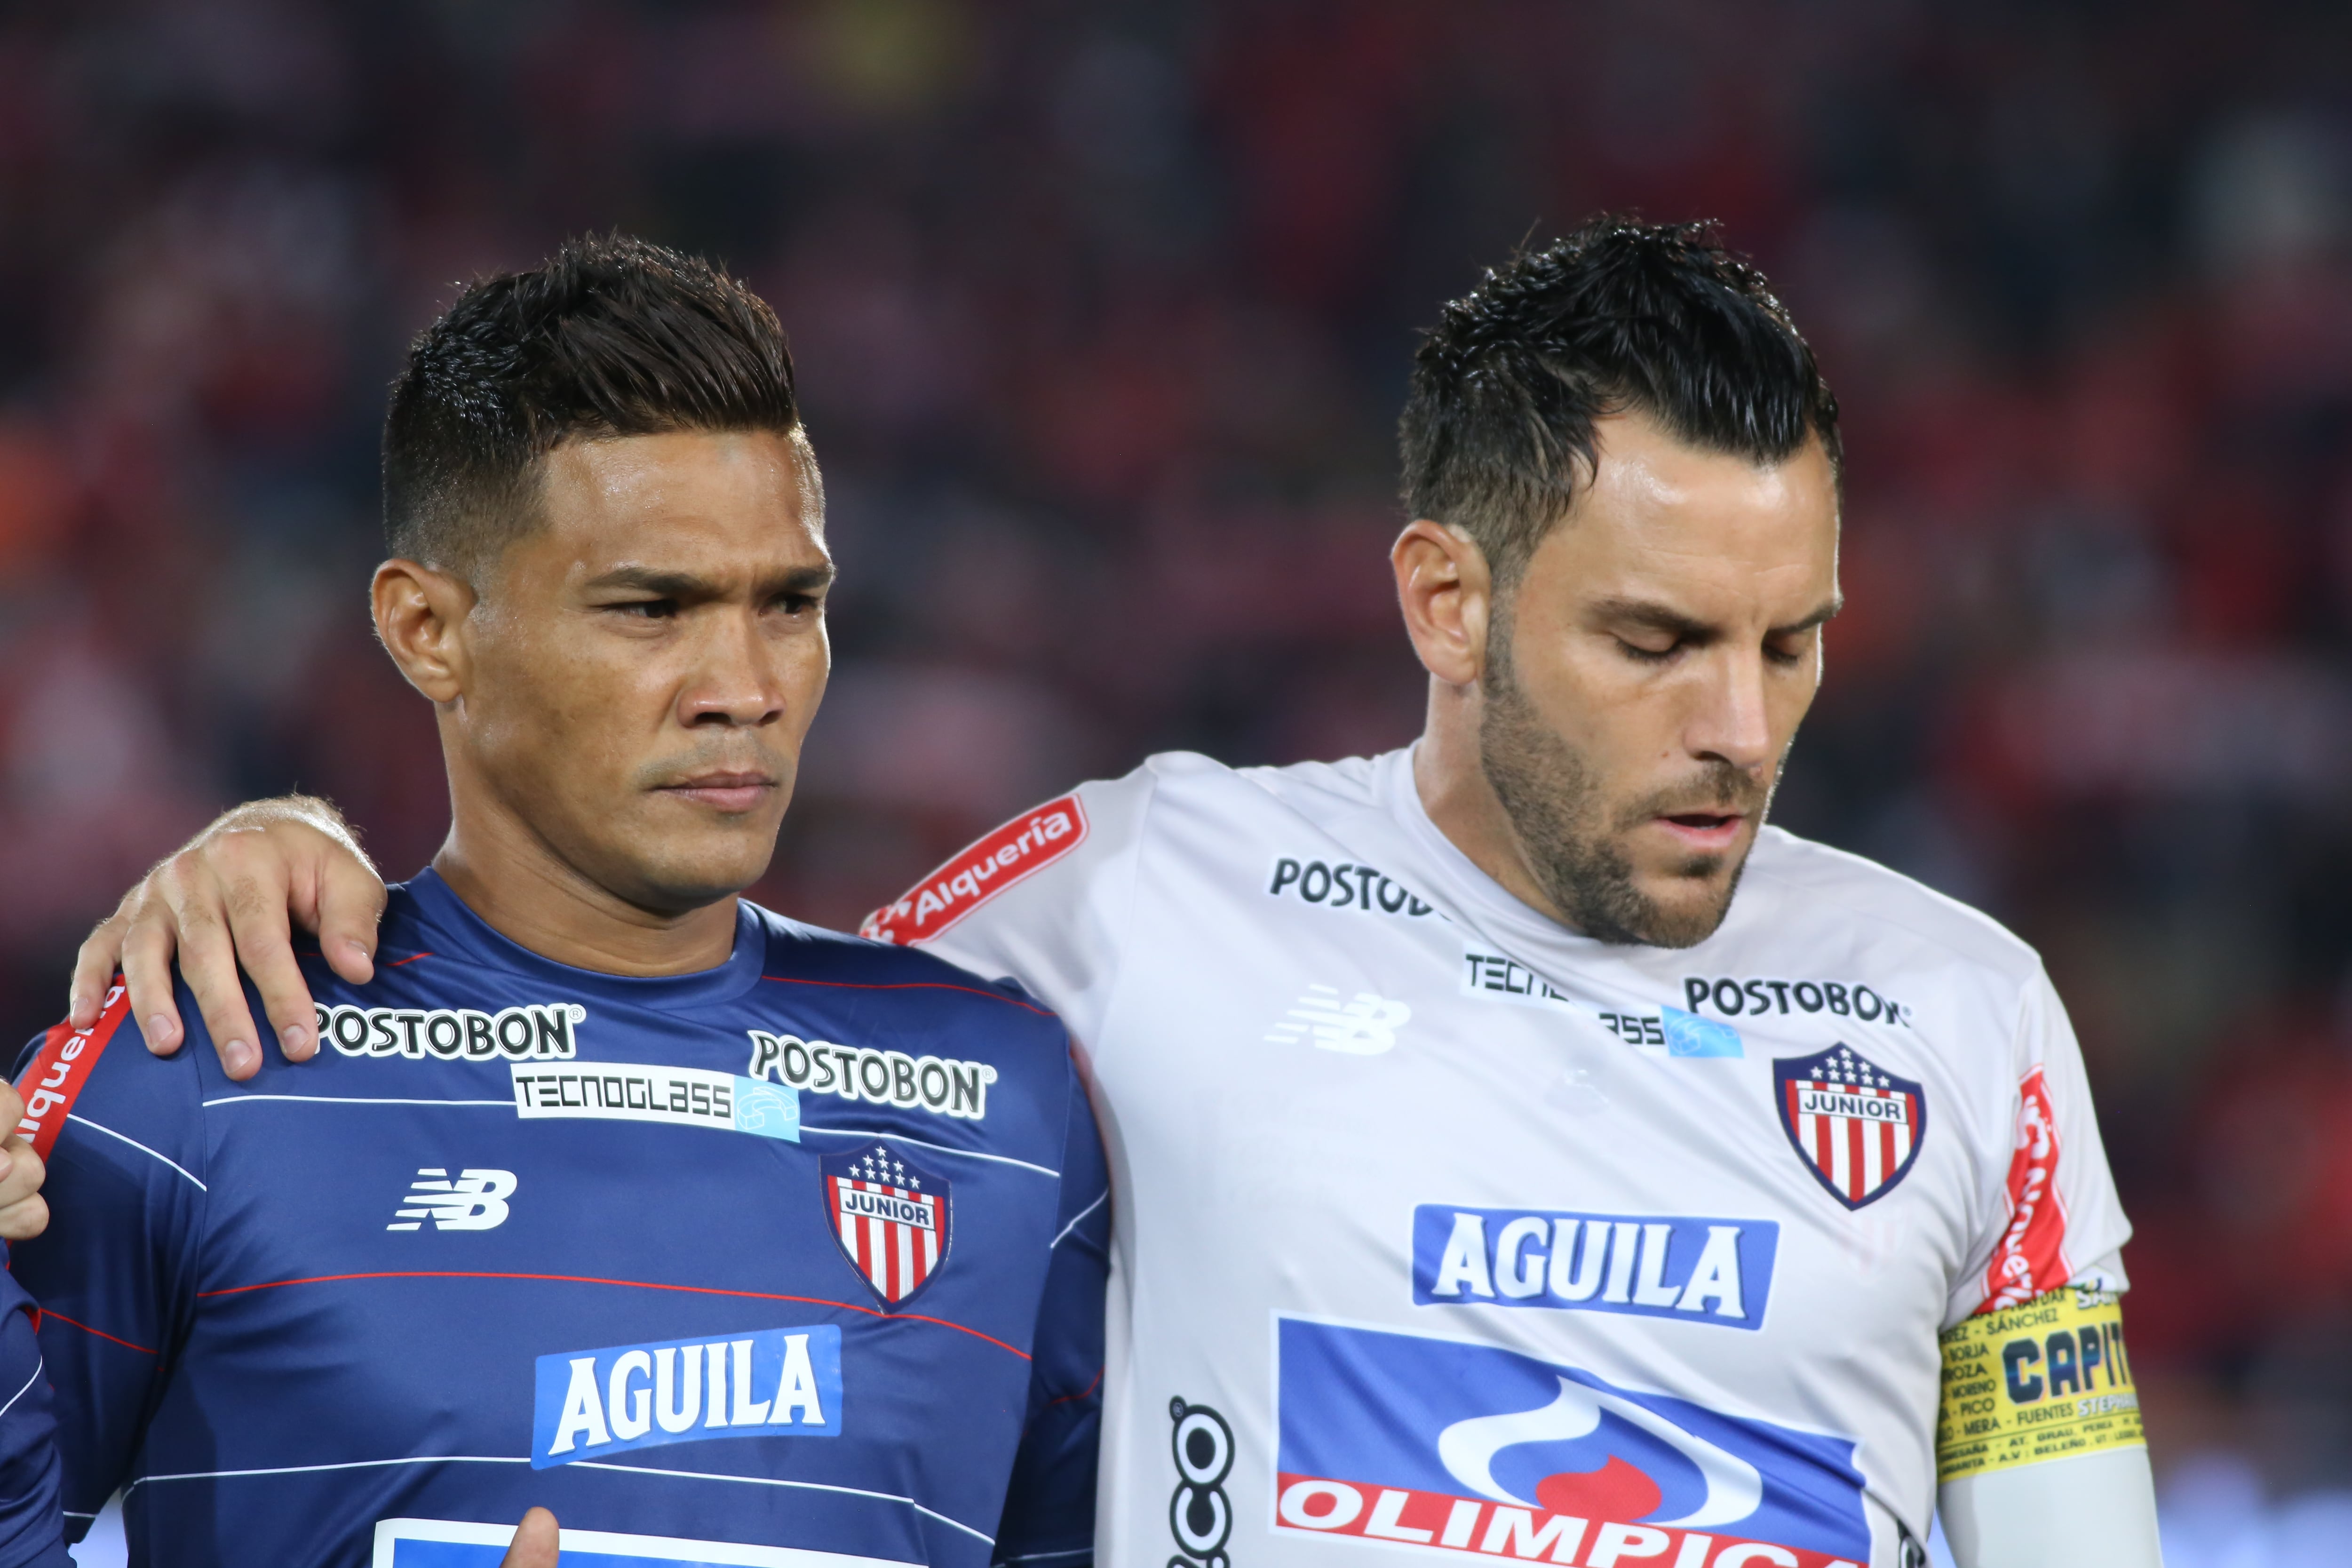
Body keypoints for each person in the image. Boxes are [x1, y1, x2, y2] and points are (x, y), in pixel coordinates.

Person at [69, 220, 2159, 1568]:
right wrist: (307, 858)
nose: (1736, 723)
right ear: (1446, 598)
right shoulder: (1134, 888)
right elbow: (680, 1013)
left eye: (1788, 645)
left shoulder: (1959, 1012)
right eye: (1652, 641)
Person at [17, 235, 1107, 1568]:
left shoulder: (1007, 1095)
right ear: (429, 630)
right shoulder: (206, 1059)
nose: (743, 685)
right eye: (652, 608)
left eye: (791, 601)